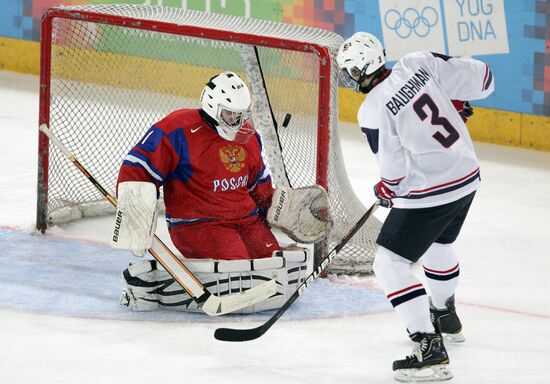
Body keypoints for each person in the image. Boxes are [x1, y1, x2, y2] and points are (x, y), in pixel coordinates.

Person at [337, 33, 494, 382]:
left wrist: (387, 189)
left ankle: (429, 349)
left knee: (388, 264)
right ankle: (445, 315)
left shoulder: (372, 108)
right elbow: (483, 78)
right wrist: (455, 101)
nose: (348, 80)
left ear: (363, 69)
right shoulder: (417, 62)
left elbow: (393, 169)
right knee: (440, 245)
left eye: (350, 72)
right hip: (466, 175)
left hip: (432, 190)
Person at [111, 71, 332, 262]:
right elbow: (138, 166)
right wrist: (134, 216)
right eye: (230, 113)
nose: (237, 120)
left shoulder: (248, 137)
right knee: (240, 266)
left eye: (241, 113)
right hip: (199, 225)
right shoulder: (178, 129)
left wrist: (278, 207)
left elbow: (258, 184)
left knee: (273, 261)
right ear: (212, 106)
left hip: (247, 221)